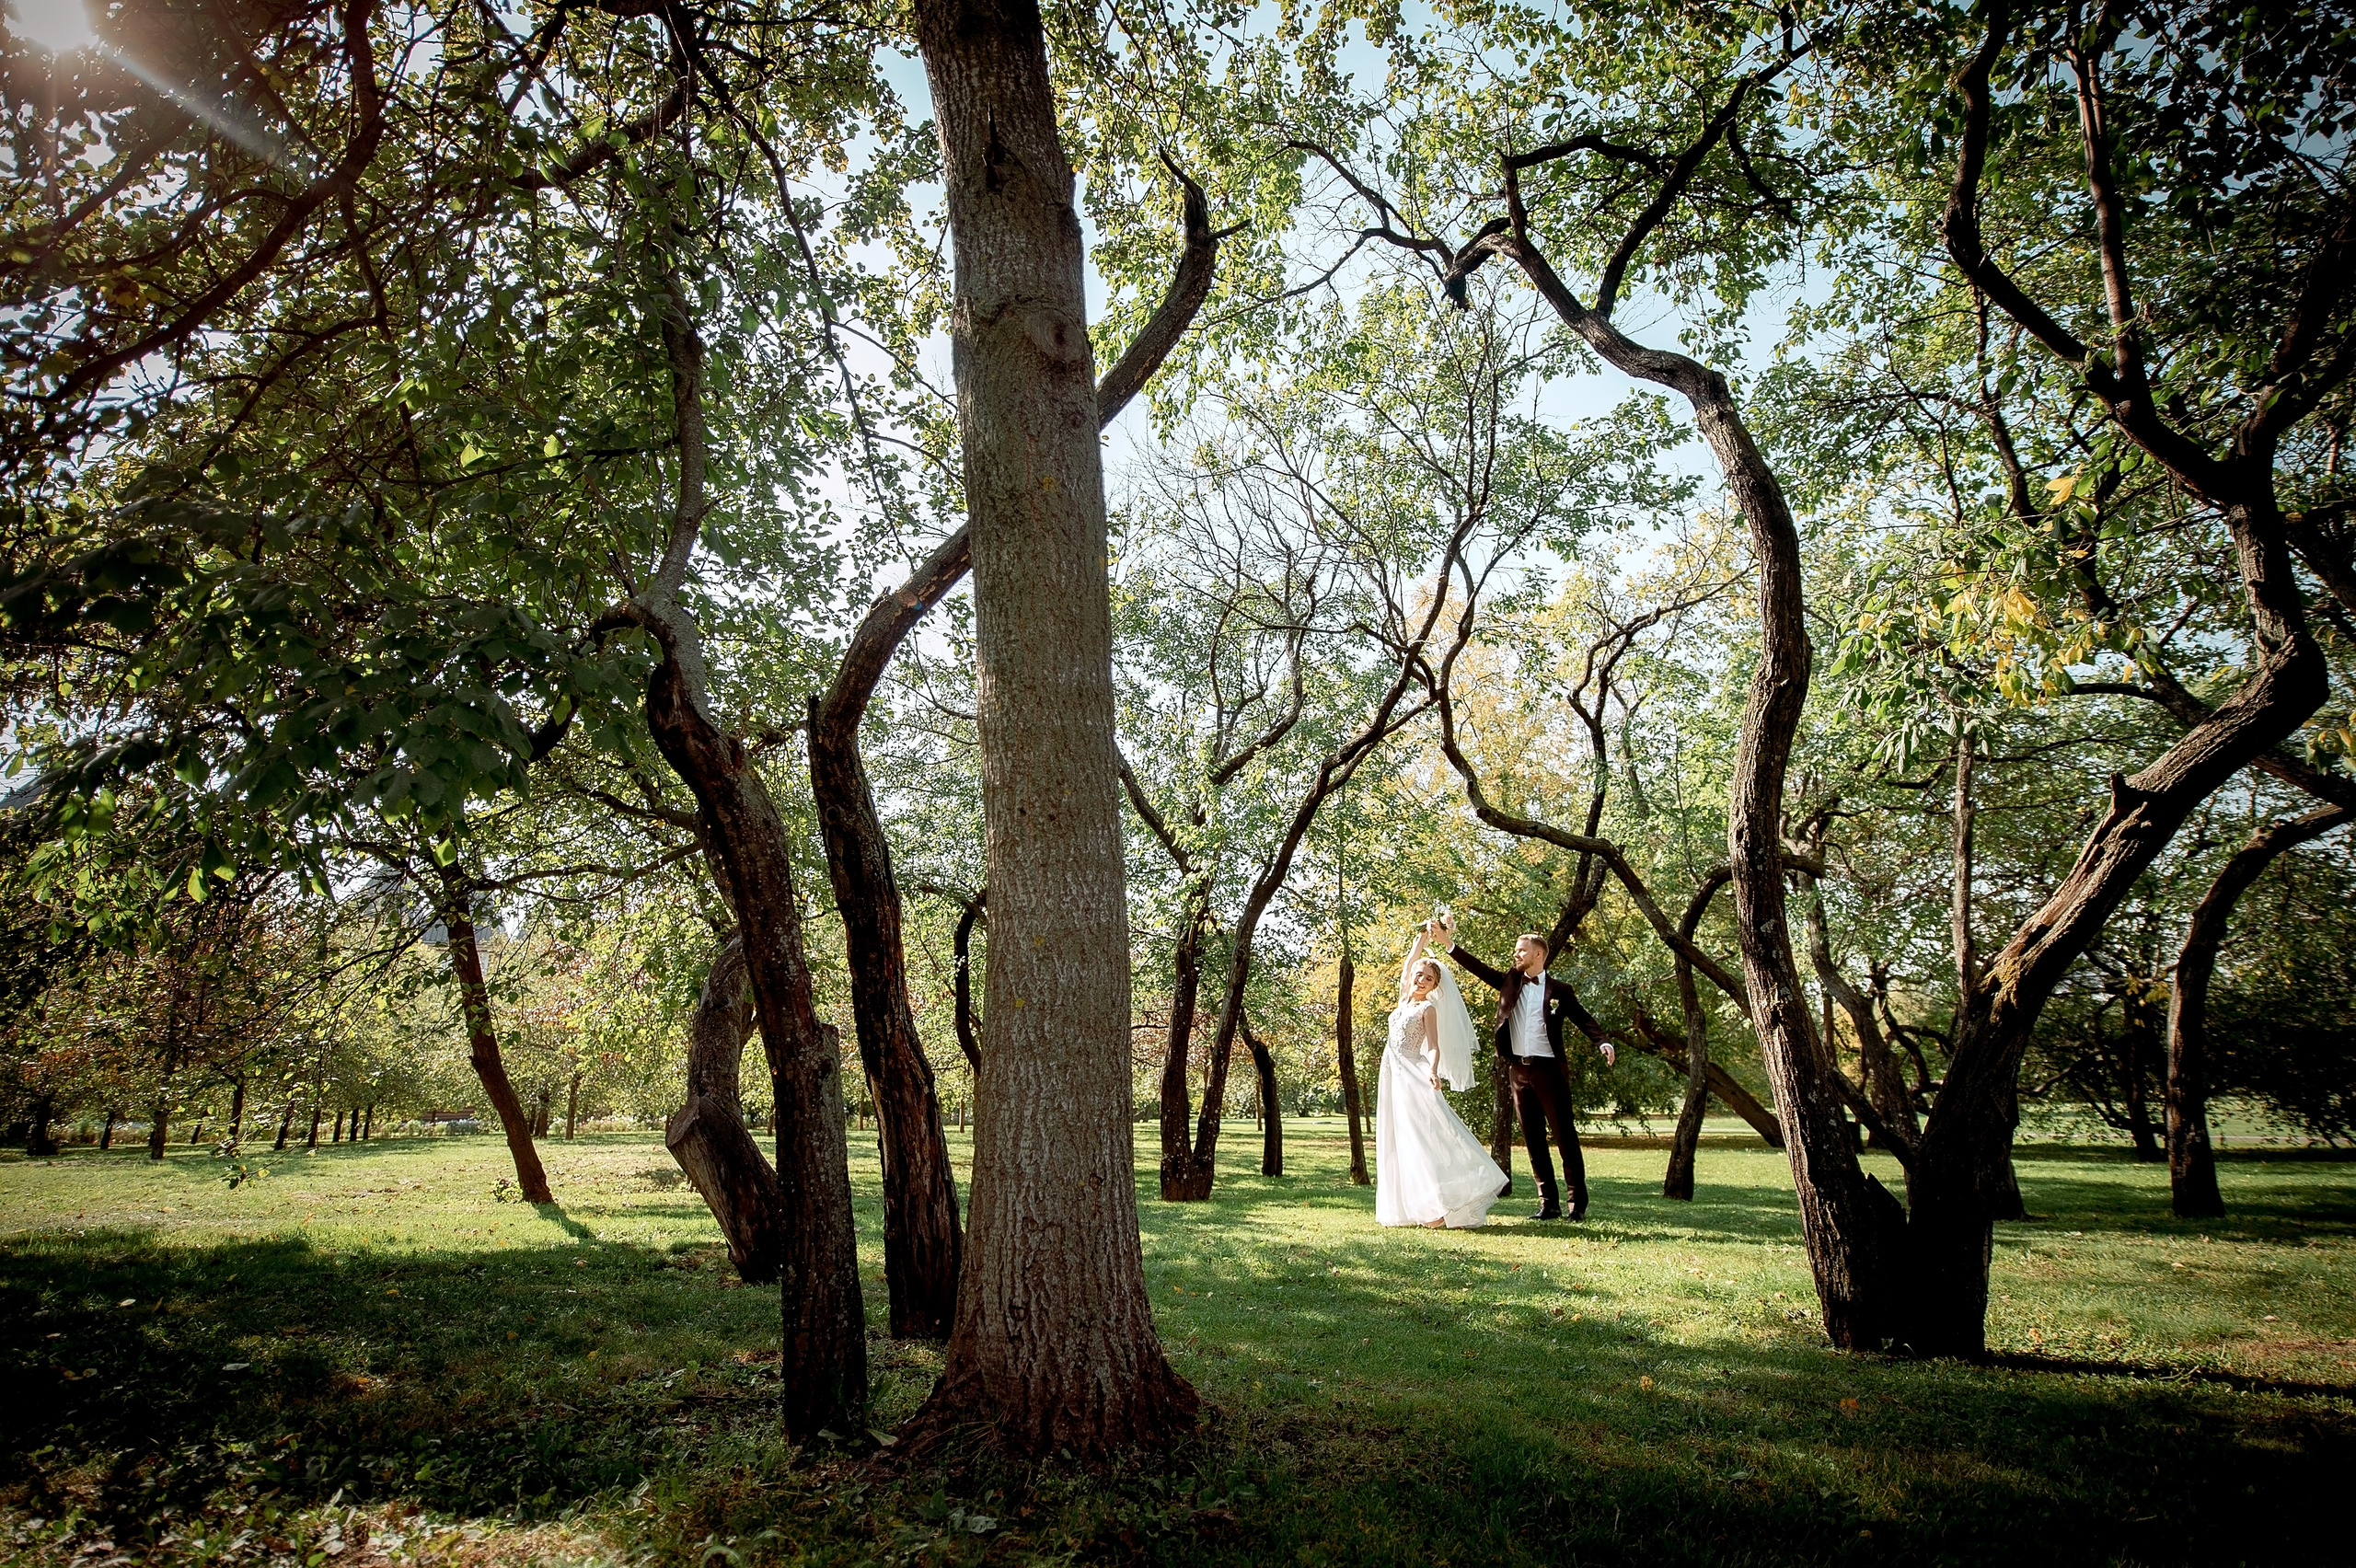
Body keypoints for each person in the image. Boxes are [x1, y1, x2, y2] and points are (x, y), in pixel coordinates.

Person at [1430, 912, 1615, 1220]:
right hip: (1519, 1071)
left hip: (1549, 1071)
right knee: (1533, 1139)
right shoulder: (1510, 982)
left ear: (1538, 954)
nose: (1515, 955)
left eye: (1521, 951)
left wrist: (1603, 1042)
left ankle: (1576, 1205)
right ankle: (1548, 1204)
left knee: (1564, 1137)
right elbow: (1478, 969)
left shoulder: (1560, 991)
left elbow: (1583, 1017)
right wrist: (1448, 943)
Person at [1374, 925, 1507, 1229]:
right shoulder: (1402, 1001)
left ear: (1435, 986)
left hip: (1412, 1072)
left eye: (1428, 979)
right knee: (1397, 1137)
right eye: (1419, 975)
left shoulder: (1427, 1008)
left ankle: (1439, 1209)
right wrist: (1424, 933)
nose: (1421, 980)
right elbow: (1411, 960)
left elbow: (1433, 1047)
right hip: (1391, 1074)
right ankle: (1410, 1208)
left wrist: (1432, 1071)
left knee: (1420, 1136)